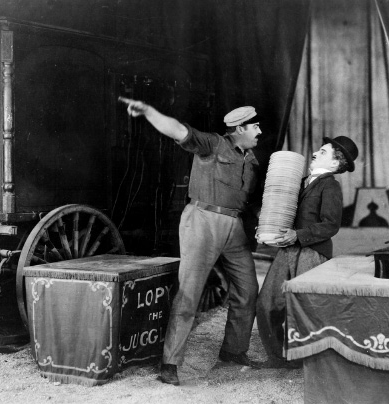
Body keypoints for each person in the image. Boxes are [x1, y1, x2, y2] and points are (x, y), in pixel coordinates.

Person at [119, 97, 264, 386]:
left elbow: (248, 201)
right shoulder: (212, 144)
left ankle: (234, 351)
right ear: (238, 129)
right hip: (202, 220)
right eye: (255, 126)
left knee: (248, 289)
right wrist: (149, 110)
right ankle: (170, 363)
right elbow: (176, 130)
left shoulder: (251, 160)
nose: (260, 131)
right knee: (190, 293)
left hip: (233, 225)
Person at [256, 136, 358, 367]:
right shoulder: (301, 181)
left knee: (306, 307)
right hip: (288, 250)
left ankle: (312, 361)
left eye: (323, 152)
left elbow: (331, 224)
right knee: (267, 303)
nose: (315, 153)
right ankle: (280, 357)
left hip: (313, 252)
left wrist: (298, 235)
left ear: (335, 164)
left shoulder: (330, 185)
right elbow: (283, 213)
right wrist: (266, 227)